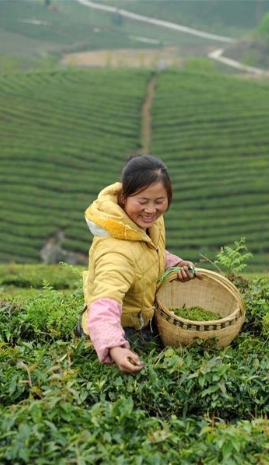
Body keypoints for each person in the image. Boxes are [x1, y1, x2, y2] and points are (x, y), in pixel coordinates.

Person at [79, 155, 200, 373]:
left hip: (141, 317)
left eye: (159, 201)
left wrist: (174, 264)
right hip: (119, 329)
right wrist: (115, 348)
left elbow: (148, 251)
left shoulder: (145, 223)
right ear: (124, 197)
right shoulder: (115, 250)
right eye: (142, 202)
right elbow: (104, 303)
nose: (151, 210)